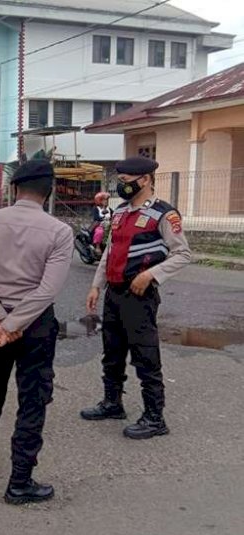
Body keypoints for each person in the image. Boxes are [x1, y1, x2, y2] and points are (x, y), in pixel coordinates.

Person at [0, 160, 73, 505]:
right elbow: (46, 291)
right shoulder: (59, 232)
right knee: (33, 401)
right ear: (49, 190)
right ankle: (20, 482)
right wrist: (13, 326)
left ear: (14, 188)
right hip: (36, 325)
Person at [81, 156, 191, 439]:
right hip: (114, 294)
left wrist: (151, 275)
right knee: (112, 352)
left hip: (140, 295)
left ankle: (155, 417)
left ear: (144, 180)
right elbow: (110, 252)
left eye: (126, 182)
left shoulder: (164, 215)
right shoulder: (119, 213)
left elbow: (183, 254)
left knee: (145, 355)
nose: (121, 187)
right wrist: (96, 285)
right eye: (119, 182)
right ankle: (112, 403)